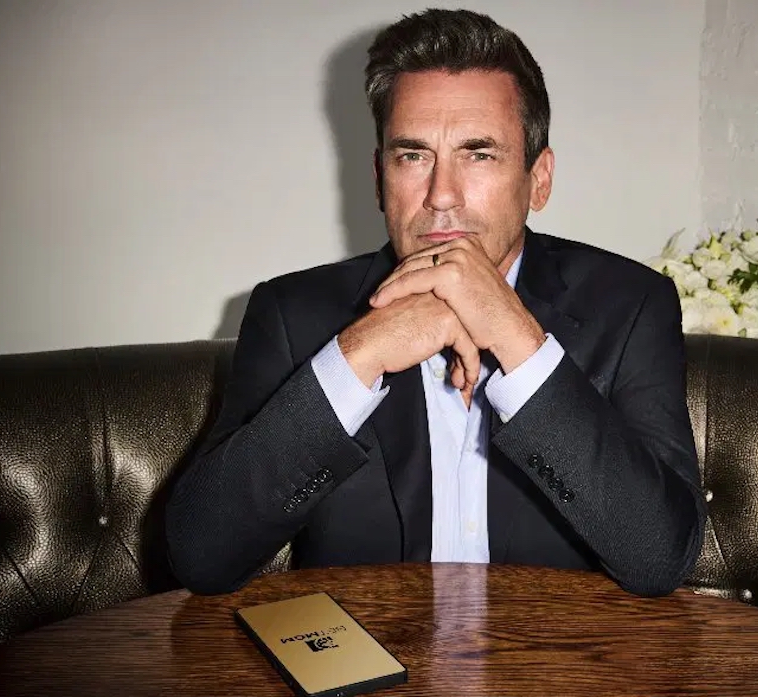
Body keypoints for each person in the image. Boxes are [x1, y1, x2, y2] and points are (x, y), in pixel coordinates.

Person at [165, 7, 706, 598]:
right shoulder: (290, 314)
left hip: (556, 653)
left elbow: (660, 557)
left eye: (479, 154)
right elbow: (202, 555)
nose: (441, 195)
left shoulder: (630, 307)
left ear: (539, 179)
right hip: (369, 654)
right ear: (379, 178)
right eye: (413, 156)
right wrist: (359, 353)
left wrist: (518, 339)